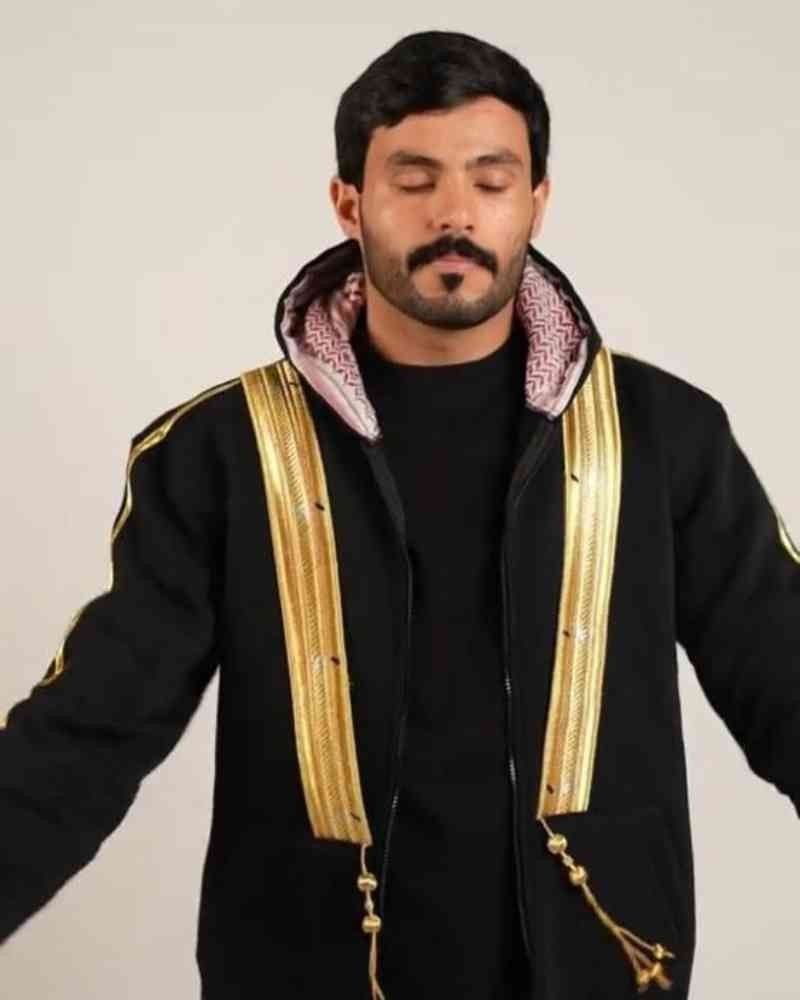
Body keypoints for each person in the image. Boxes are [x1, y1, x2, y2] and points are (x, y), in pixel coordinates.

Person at [1, 28, 798, 1000]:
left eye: (490, 180)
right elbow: (91, 731)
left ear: (537, 201)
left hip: (601, 971)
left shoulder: (663, 435)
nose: (454, 213)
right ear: (349, 202)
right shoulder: (221, 451)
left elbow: (783, 678)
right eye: (413, 180)